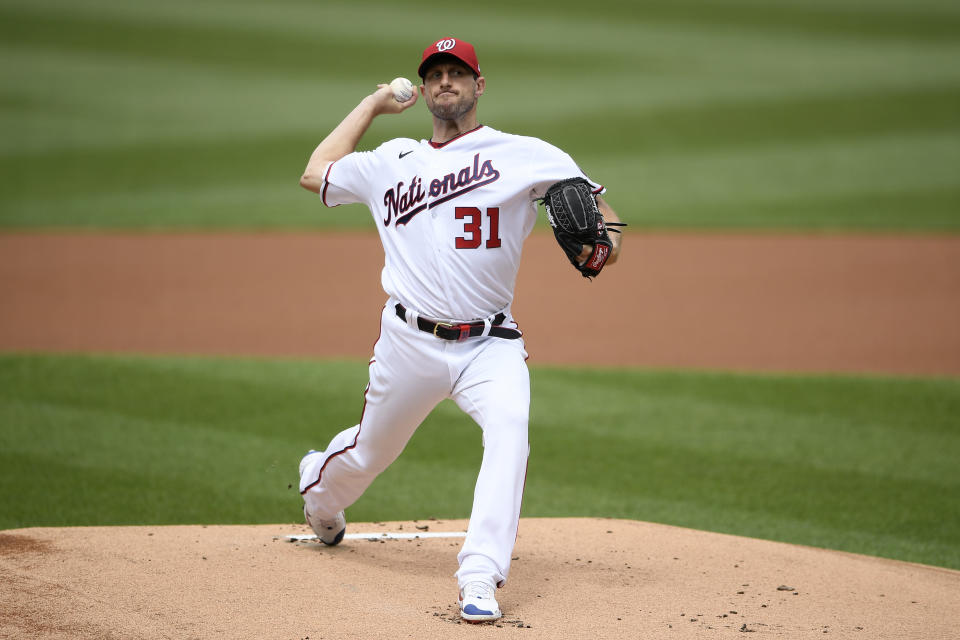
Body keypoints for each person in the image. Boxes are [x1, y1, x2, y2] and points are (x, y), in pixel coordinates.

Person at [297, 37, 622, 623]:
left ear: (479, 85)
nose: (446, 82)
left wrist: (605, 247)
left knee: (510, 429)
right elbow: (314, 173)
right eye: (436, 74)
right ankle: (318, 493)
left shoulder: (526, 154)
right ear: (423, 90)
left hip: (490, 344)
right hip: (407, 343)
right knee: (371, 452)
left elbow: (604, 225)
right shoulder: (390, 161)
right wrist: (371, 106)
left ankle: (479, 575)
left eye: (457, 73)